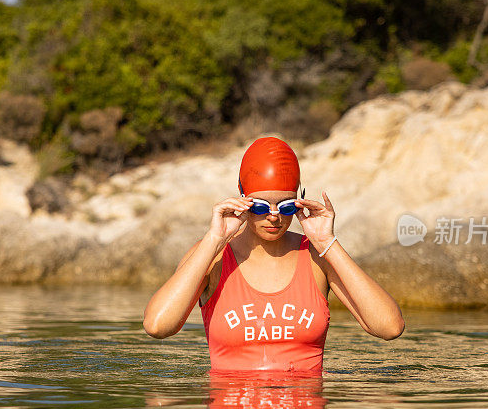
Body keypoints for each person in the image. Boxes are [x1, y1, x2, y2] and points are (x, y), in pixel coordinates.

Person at [143, 136, 404, 372]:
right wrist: (214, 239)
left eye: (287, 205)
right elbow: (157, 326)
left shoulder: (317, 256)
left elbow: (390, 328)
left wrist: (328, 243)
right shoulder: (214, 255)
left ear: (299, 198)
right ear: (242, 196)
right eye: (259, 206)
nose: (274, 216)